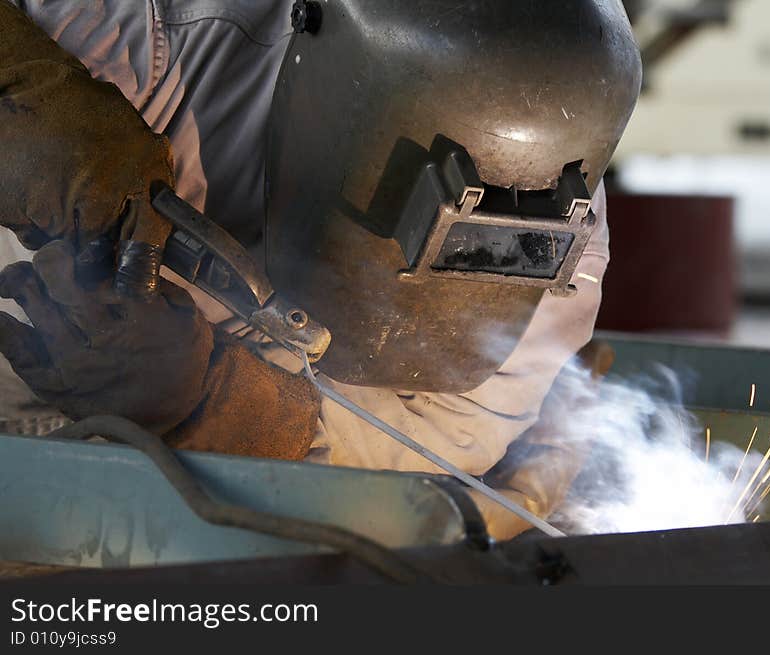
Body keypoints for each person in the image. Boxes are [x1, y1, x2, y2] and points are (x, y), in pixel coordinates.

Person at [0, 1, 640, 540]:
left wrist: (210, 401)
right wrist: (23, 87)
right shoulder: (103, 35)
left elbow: (441, 444)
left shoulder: (544, 133)